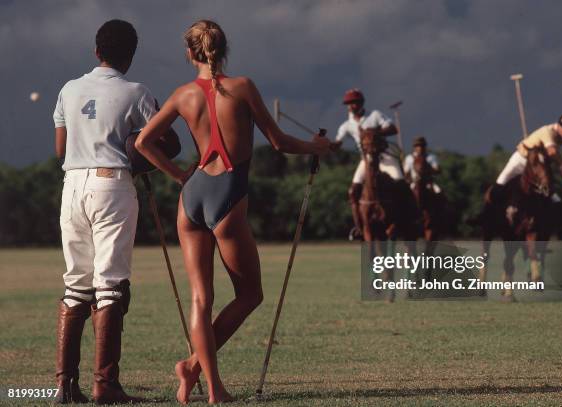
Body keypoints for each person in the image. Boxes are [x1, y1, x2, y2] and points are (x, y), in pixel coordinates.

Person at [135, 20, 332, 404]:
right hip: (228, 193)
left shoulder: (181, 95)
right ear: (223, 50)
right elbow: (278, 142)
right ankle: (199, 375)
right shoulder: (242, 87)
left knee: (200, 299)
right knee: (250, 293)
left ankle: (203, 377)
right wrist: (316, 147)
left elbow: (143, 142)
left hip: (191, 197)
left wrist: (178, 175)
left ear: (190, 54)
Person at [53, 20, 156, 403]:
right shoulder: (138, 92)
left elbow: (60, 149)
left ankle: (65, 386)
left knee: (75, 284)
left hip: (72, 184)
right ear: (130, 55)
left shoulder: (68, 89)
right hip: (112, 184)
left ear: (96, 51)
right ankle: (106, 385)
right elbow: (159, 142)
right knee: (110, 285)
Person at [333, 89, 402, 239]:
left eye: (354, 103)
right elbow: (338, 141)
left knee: (400, 182)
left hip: (385, 157)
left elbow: (393, 128)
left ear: (361, 103)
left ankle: (405, 218)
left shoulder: (375, 115)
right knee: (353, 191)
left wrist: (375, 132)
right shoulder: (347, 125)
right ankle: (358, 228)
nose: (351, 106)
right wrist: (331, 145)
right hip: (366, 160)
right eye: (348, 103)